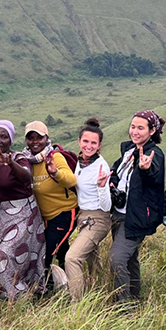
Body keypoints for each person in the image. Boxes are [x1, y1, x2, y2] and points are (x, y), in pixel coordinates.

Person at [109, 110, 165, 303]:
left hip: (136, 217)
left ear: (152, 131)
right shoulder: (128, 150)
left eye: (141, 128)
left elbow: (154, 175)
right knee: (130, 258)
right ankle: (135, 298)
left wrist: (145, 169)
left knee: (117, 259)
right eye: (133, 126)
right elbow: (115, 171)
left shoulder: (154, 154)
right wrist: (111, 182)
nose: (135, 131)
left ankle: (123, 307)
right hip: (119, 213)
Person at [0, 120, 46, 300]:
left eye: (4, 136)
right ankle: (6, 294)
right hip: (0, 215)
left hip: (23, 213)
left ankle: (19, 296)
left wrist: (11, 163)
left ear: (10, 140)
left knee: (6, 252)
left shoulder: (19, 158)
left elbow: (26, 176)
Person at [22, 121, 78, 286]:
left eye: (39, 137)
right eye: (31, 138)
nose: (35, 141)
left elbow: (71, 180)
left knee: (45, 254)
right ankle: (68, 285)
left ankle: (42, 290)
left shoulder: (55, 157)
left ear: (46, 138)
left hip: (64, 213)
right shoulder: (26, 161)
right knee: (61, 250)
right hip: (44, 218)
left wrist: (55, 172)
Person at [64, 118, 112, 301]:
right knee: (92, 258)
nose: (89, 146)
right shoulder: (80, 161)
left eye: (94, 143)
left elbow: (106, 206)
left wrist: (101, 186)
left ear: (99, 145)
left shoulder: (100, 166)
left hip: (97, 219)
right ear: (79, 141)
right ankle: (99, 291)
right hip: (83, 217)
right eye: (86, 141)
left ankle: (77, 305)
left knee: (72, 258)